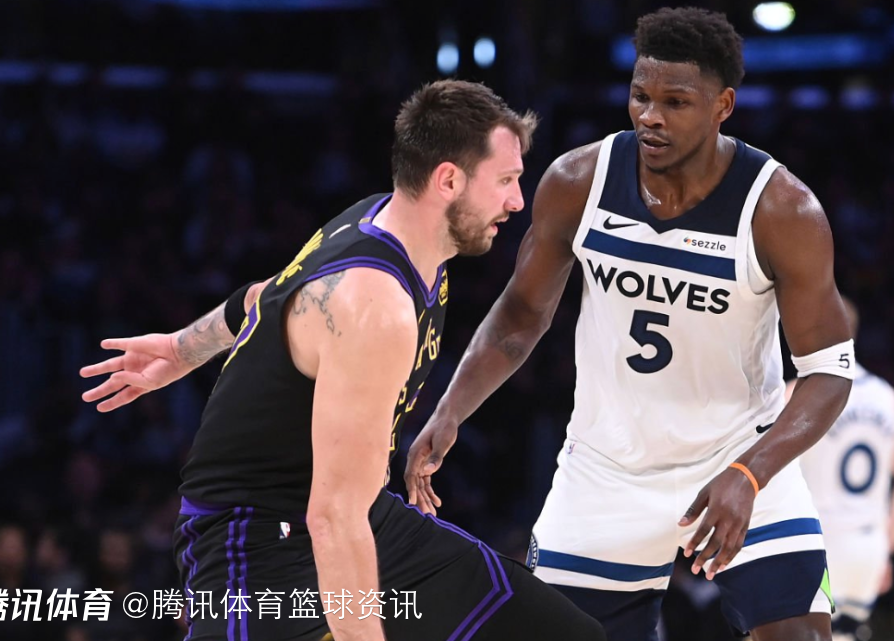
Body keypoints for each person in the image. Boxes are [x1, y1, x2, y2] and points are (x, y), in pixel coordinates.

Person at [80, 80, 605, 641]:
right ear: (448, 180)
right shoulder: (375, 307)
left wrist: (183, 348)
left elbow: (272, 295)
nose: (517, 201)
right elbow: (332, 518)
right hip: (256, 546)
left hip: (357, 515)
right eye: (505, 181)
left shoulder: (383, 221)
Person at [405, 7, 854, 641]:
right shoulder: (578, 181)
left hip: (736, 458)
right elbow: (520, 315)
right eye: (641, 96)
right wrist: (452, 409)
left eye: (676, 102)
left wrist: (751, 472)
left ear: (723, 106)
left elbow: (830, 372)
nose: (650, 116)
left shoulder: (782, 210)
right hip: (605, 472)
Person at [792, 296, 894, 641]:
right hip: (865, 552)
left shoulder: (796, 394)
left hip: (815, 546)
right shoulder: (889, 398)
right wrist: (884, 547)